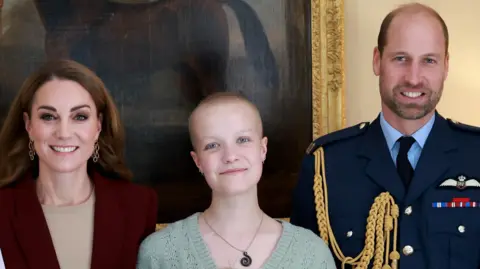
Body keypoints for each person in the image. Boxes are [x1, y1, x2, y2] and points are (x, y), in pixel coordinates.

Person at [290, 2, 480, 269]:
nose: (414, 78)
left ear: (446, 65)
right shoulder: (326, 165)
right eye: (400, 58)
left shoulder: (476, 155)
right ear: (377, 60)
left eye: (429, 60)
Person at [136, 92, 336, 269]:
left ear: (263, 149)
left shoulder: (311, 253)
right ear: (198, 161)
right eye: (212, 145)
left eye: (243, 140)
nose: (230, 156)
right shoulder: (159, 253)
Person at [0, 59, 158, 269]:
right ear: (29, 125)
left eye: (80, 116)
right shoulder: (3, 208)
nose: (64, 133)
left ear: (98, 125)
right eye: (48, 116)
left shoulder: (138, 205)